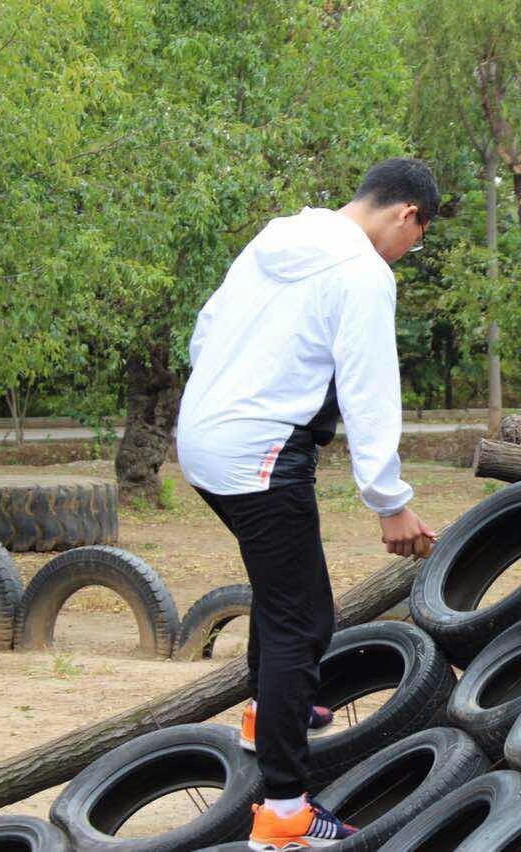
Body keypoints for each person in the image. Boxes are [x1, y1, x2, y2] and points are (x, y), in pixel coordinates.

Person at [176, 158, 441, 849]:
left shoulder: (279, 236)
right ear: (407, 214)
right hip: (259, 453)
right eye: (418, 238)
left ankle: (267, 717)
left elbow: (205, 331)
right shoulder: (362, 272)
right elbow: (369, 387)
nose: (408, 254)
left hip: (203, 438)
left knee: (284, 592)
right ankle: (286, 810)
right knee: (303, 622)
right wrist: (389, 501)